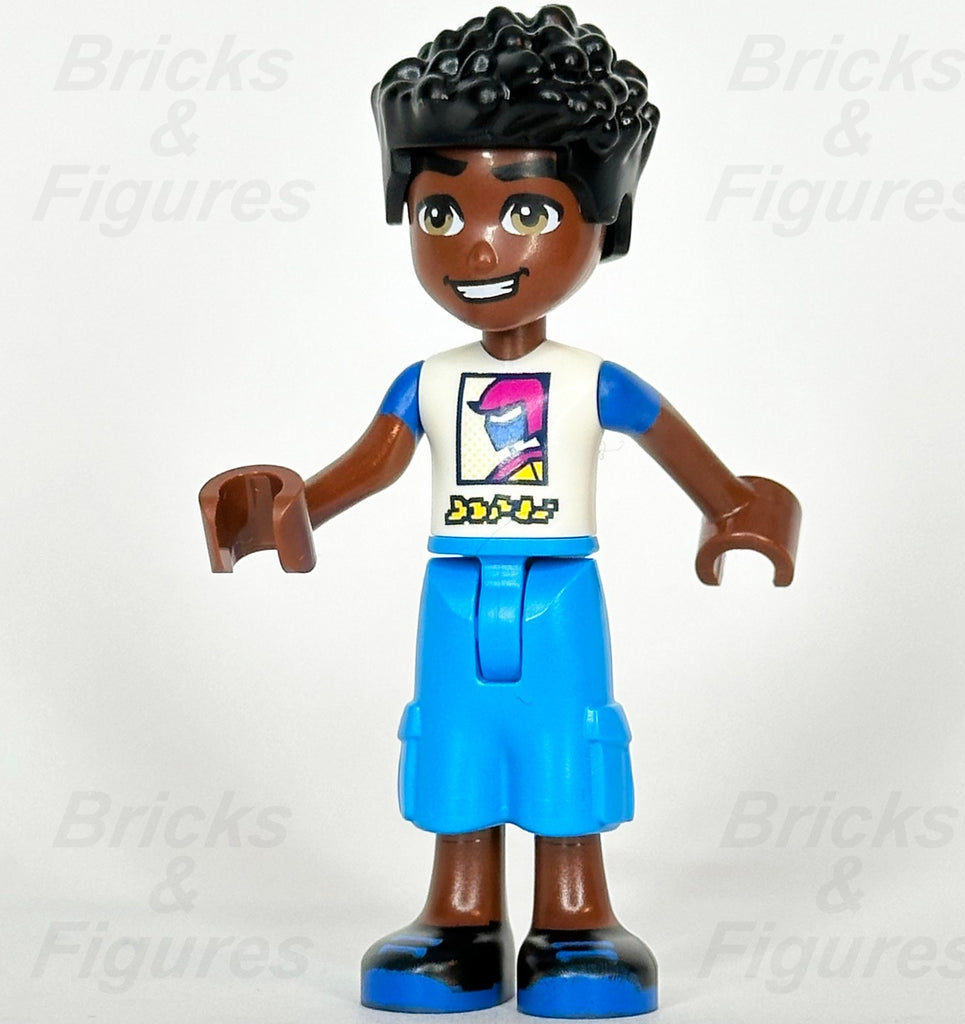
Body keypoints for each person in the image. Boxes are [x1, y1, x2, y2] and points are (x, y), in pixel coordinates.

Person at [200, 6, 800, 1017]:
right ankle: (460, 914)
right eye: (441, 213)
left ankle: (575, 917)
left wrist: (739, 510)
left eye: (525, 211)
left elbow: (694, 462)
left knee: (568, 741)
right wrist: (286, 508)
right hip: (454, 591)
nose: (478, 245)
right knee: (455, 743)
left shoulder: (596, 381)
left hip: (561, 592)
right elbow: (369, 468)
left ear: (603, 222)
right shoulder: (426, 381)